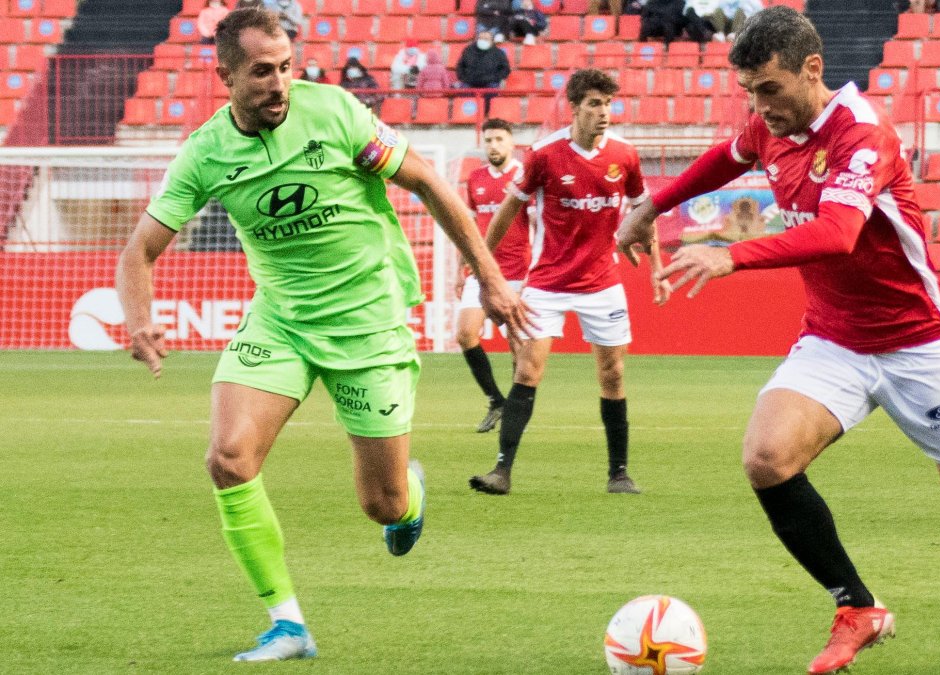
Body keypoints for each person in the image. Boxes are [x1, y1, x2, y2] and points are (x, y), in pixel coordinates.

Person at [616, 8, 940, 675]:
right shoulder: (770, 126)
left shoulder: (862, 134)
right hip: (834, 338)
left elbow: (838, 232)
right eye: (750, 93)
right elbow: (724, 158)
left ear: (812, 69)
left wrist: (731, 254)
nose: (760, 108)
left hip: (917, 344)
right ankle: (857, 607)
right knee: (767, 458)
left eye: (770, 89)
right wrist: (651, 205)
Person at [114, 8, 529, 662]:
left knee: (384, 505)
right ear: (225, 75)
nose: (279, 83)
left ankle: (409, 496)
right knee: (228, 458)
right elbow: (138, 251)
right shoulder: (204, 153)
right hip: (280, 321)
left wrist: (489, 278)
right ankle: (287, 625)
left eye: (286, 67)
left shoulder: (334, 112)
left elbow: (426, 181)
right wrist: (139, 318)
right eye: (262, 71)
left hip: (369, 322)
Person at [468, 69, 669, 496]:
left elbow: (643, 212)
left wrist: (656, 268)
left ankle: (619, 474)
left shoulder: (624, 155)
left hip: (602, 283)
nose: (604, 112)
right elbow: (506, 213)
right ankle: (501, 471)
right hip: (548, 283)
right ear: (574, 108)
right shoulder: (544, 155)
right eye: (595, 104)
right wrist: (482, 266)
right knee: (528, 368)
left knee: (613, 374)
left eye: (608, 104)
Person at [458, 118, 532, 432]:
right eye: (488, 140)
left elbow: (538, 224)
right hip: (481, 270)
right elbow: (468, 229)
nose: (493, 145)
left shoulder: (525, 177)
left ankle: (515, 412)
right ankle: (496, 401)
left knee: (518, 346)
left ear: (511, 143)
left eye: (499, 139)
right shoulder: (475, 179)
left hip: (516, 273)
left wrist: (535, 272)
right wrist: (460, 269)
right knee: (465, 334)